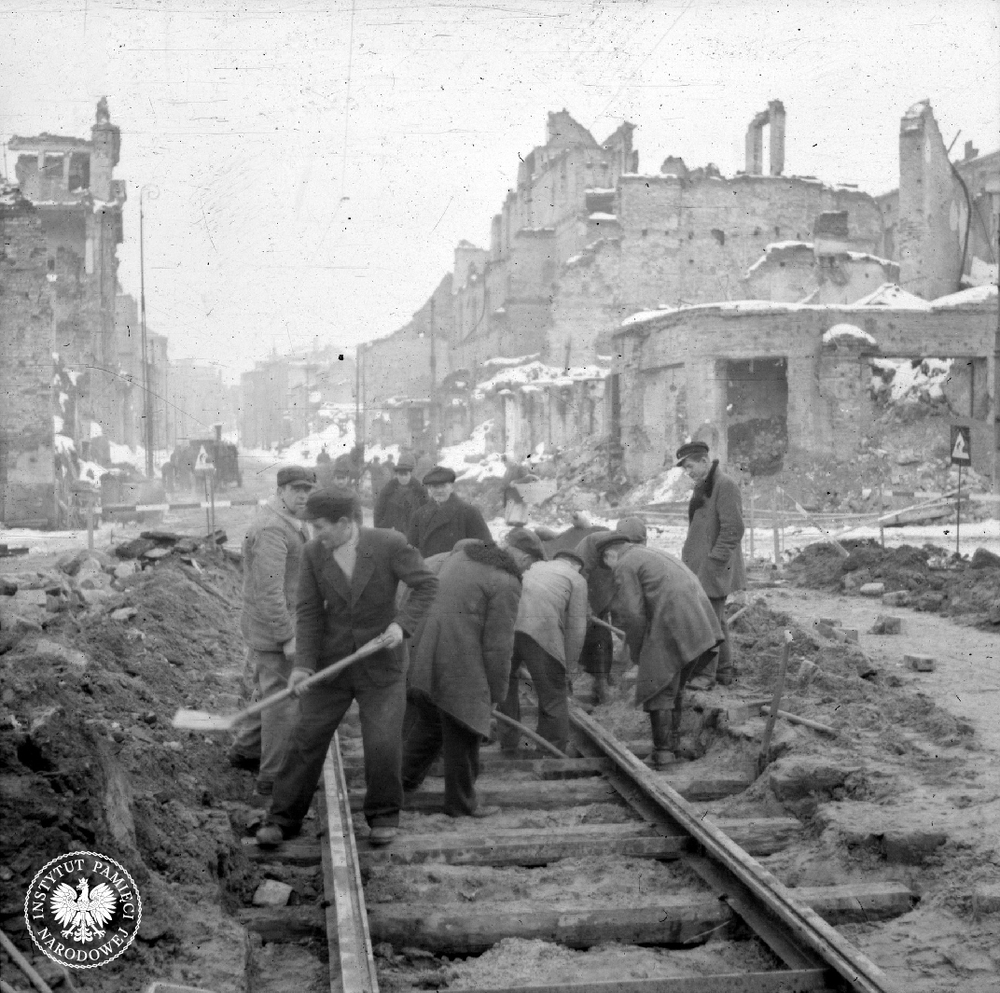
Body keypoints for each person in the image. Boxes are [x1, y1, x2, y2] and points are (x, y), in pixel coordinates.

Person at [256, 488, 438, 849]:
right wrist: (303, 666)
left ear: (344, 522)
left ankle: (384, 815)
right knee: (306, 737)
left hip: (381, 665)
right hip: (332, 664)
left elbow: (427, 585)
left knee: (383, 742)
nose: (316, 535)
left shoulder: (389, 544)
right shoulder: (313, 553)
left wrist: (401, 626)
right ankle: (282, 818)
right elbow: (308, 612)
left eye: (321, 527)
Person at [402, 539, 522, 817]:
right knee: (465, 728)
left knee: (431, 723)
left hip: (422, 648)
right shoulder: (506, 583)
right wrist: (495, 694)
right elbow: (498, 646)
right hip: (457, 657)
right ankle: (461, 803)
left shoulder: (459, 560)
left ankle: (401, 783)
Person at [596, 531, 722, 768]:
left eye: (606, 565)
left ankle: (663, 753)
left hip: (673, 620)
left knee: (658, 686)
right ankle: (671, 747)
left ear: (609, 555)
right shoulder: (647, 553)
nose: (610, 570)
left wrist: (637, 650)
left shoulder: (624, 564)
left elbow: (632, 614)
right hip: (699, 620)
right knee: (674, 687)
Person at [229, 466, 316, 796]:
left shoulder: (285, 522)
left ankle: (246, 750)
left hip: (267, 626)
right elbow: (269, 592)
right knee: (282, 701)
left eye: (308, 489)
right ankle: (273, 777)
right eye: (296, 489)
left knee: (268, 690)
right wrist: (288, 637)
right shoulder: (272, 530)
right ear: (280, 491)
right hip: (274, 629)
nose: (303, 495)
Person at [498, 529, 588, 755]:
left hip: (507, 626)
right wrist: (568, 668)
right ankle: (551, 750)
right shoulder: (576, 579)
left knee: (505, 687)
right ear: (575, 566)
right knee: (553, 695)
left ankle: (508, 742)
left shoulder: (529, 568)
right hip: (539, 630)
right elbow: (577, 629)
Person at [676, 441, 746, 687]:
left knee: (708, 621)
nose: (689, 472)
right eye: (685, 468)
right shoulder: (704, 486)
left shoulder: (724, 485)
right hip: (704, 567)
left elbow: (733, 529)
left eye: (690, 466)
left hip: (714, 568)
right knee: (717, 620)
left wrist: (714, 561)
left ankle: (706, 675)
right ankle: (724, 671)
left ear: (705, 461)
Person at [407, 465, 492, 557]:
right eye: (435, 487)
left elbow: (485, 545)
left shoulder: (469, 512)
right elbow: (412, 549)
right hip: (429, 568)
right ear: (429, 489)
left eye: (443, 486)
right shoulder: (419, 515)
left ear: (452, 487)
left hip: (457, 568)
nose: (439, 490)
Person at [373, 453, 428, 535]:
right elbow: (379, 512)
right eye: (400, 474)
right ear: (396, 475)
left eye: (406, 474)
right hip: (392, 534)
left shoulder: (420, 491)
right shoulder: (387, 492)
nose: (403, 477)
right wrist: (382, 530)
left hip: (413, 534)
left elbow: (426, 513)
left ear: (410, 475)